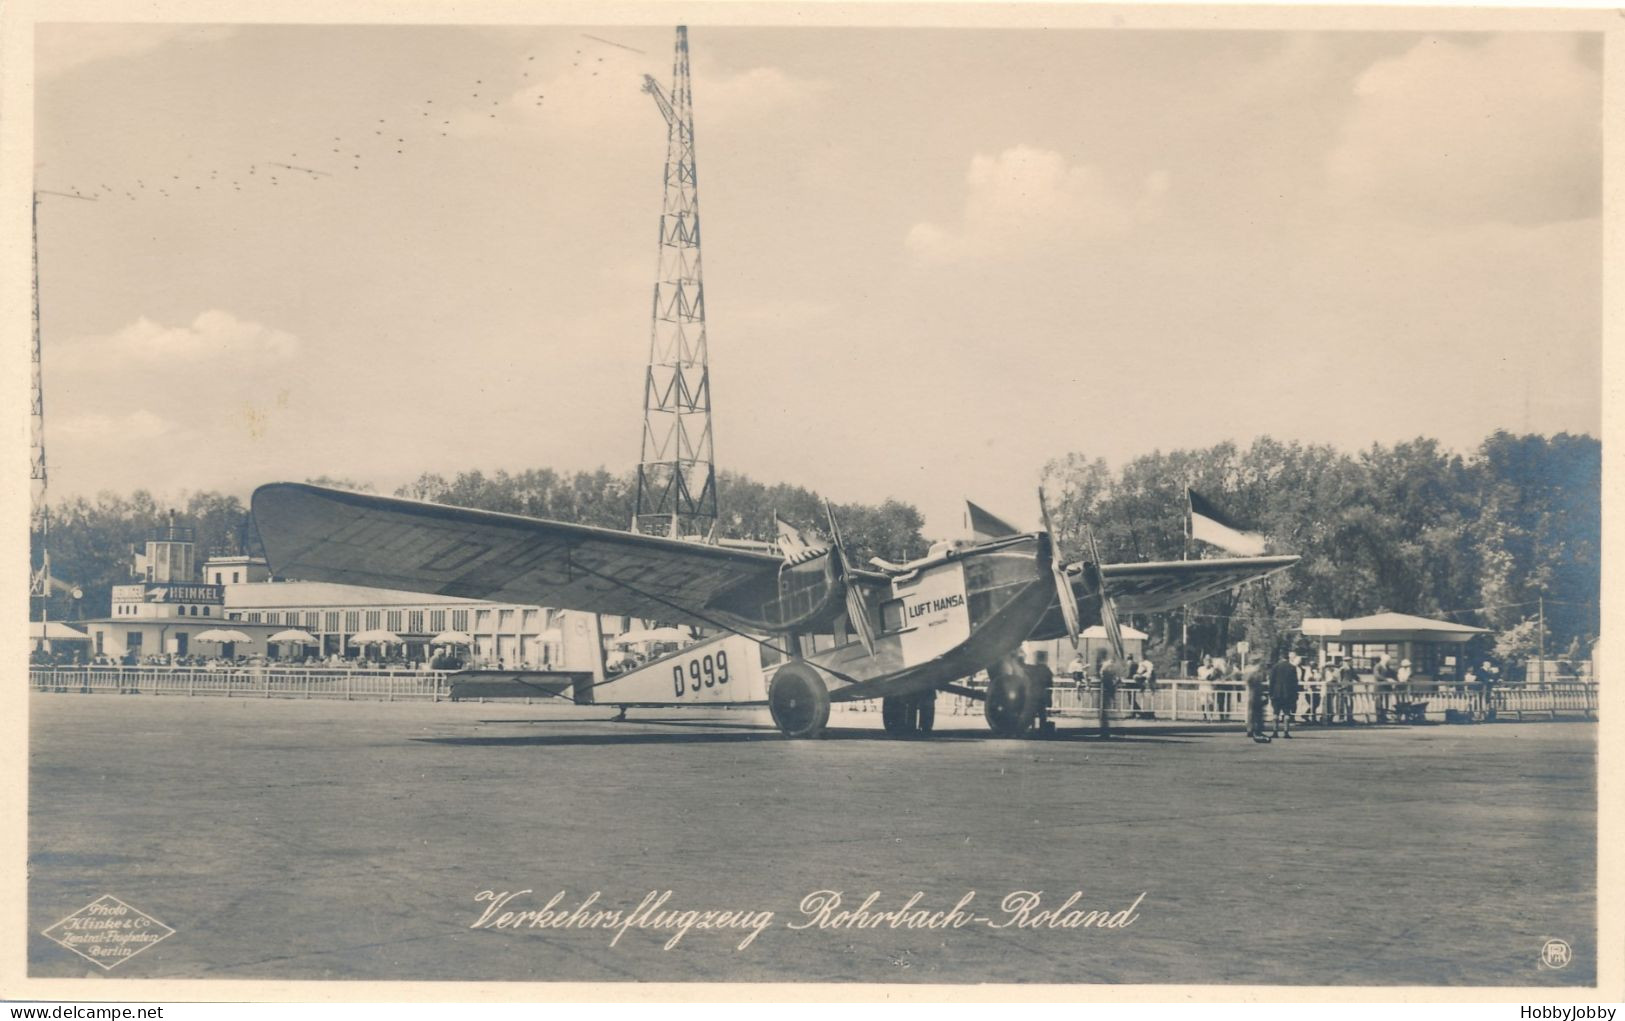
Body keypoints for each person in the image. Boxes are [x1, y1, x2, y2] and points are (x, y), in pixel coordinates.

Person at [1269, 652, 1301, 739]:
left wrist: (1270, 693)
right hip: (1288, 694)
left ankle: (1275, 731)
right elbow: (1295, 683)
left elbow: (1271, 681)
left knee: (1276, 712)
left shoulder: (1275, 667)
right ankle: (1286, 732)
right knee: (1287, 713)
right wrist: (1295, 694)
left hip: (1276, 693)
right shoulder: (1292, 668)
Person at [1245, 661, 1269, 742]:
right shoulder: (1257, 675)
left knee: (1253, 713)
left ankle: (1252, 729)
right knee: (1255, 713)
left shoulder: (1254, 675)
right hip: (1255, 695)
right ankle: (1255, 729)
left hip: (1254, 695)